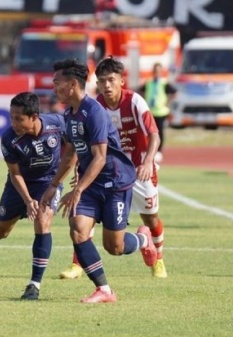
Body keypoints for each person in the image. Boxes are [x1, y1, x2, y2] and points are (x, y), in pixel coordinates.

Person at [40, 59, 158, 303]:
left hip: (115, 183)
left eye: (57, 83)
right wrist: (53, 186)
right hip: (92, 185)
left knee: (114, 247)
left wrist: (77, 190)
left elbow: (100, 157)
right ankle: (104, 290)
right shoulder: (69, 115)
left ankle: (143, 238)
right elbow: (71, 154)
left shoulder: (94, 112)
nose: (54, 88)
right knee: (78, 229)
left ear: (72, 84)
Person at [0, 91, 67, 300]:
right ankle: (0, 219)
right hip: (19, 185)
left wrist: (67, 175)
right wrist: (27, 200)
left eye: (18, 118)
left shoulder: (57, 124)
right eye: (11, 117)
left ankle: (34, 285)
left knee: (43, 221)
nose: (13, 123)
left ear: (33, 117)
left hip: (48, 182)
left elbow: (74, 146)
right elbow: (14, 174)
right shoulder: (9, 138)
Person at [138, 62, 177, 163]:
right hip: (150, 111)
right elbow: (140, 91)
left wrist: (167, 102)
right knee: (148, 132)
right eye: (155, 70)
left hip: (161, 111)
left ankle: (159, 151)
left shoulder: (164, 82)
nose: (156, 72)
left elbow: (174, 92)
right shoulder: (149, 82)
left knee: (159, 132)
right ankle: (149, 150)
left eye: (158, 71)